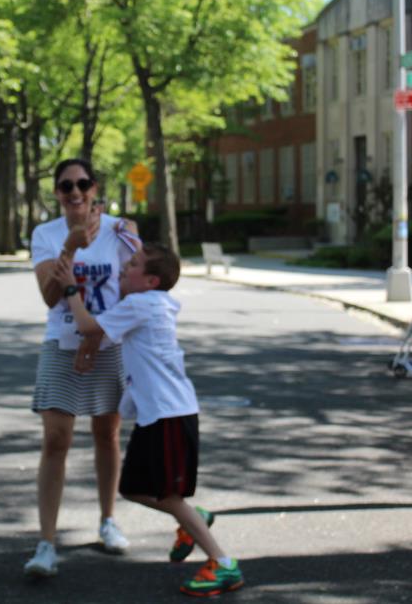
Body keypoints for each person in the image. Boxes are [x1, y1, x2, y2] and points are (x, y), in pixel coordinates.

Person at [55, 243, 245, 596]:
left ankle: (223, 563)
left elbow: (88, 326)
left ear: (151, 280)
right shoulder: (152, 302)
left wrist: (70, 289)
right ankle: (193, 519)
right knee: (133, 488)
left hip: (168, 414)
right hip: (156, 414)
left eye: (134, 264)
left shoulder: (141, 304)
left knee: (169, 496)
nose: (125, 267)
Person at [24, 158, 140, 577]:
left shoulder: (120, 231)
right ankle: (46, 543)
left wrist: (95, 338)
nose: (75, 192)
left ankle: (108, 520)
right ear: (57, 192)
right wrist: (70, 247)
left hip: (109, 344)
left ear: (94, 188)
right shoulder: (45, 234)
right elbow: (49, 296)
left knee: (107, 434)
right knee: (56, 440)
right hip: (61, 344)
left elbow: (135, 291)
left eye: (82, 183)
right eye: (66, 186)